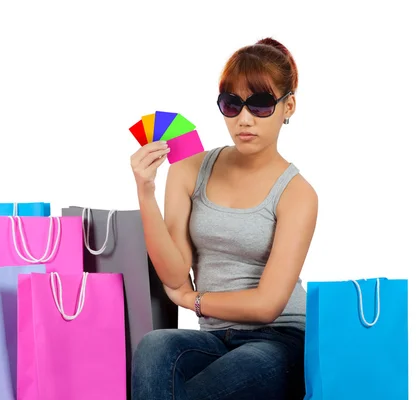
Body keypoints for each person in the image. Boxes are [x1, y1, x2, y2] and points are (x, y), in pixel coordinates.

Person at [129, 37, 318, 400]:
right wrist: (145, 192)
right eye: (232, 104)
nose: (244, 119)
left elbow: (267, 305)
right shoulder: (189, 168)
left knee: (200, 391)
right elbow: (173, 272)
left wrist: (193, 300)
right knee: (155, 348)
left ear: (288, 105)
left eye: (261, 104)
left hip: (280, 340)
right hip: (214, 337)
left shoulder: (297, 193)